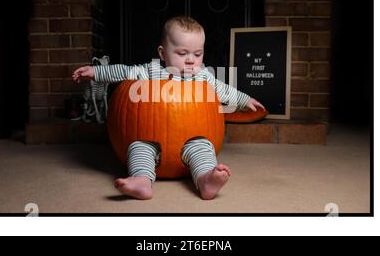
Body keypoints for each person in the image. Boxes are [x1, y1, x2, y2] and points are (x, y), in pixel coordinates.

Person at [72, 16, 265, 200]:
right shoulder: (151, 71)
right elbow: (123, 70)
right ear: (162, 53)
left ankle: (205, 179)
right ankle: (142, 180)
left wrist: (244, 100)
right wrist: (96, 72)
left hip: (193, 136)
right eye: (182, 53)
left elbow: (224, 90)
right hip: (150, 136)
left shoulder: (203, 76)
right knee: (138, 148)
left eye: (197, 54)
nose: (191, 60)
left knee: (204, 149)